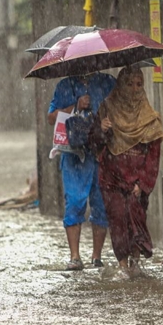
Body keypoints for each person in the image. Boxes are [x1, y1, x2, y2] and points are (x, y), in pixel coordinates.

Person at [89, 66, 163, 276]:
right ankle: (122, 266)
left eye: (139, 84)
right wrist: (101, 130)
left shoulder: (151, 119)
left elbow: (153, 157)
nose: (134, 89)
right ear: (120, 86)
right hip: (111, 178)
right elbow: (94, 144)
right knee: (117, 220)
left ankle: (136, 262)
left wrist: (143, 184)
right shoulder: (106, 109)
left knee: (135, 218)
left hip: (136, 182)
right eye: (129, 84)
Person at [47, 72, 116, 270]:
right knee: (75, 201)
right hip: (73, 156)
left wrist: (103, 120)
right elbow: (51, 117)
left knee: (101, 203)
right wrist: (75, 107)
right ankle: (75, 256)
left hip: (101, 153)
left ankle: (97, 256)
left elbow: (120, 107)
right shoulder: (64, 85)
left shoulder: (107, 82)